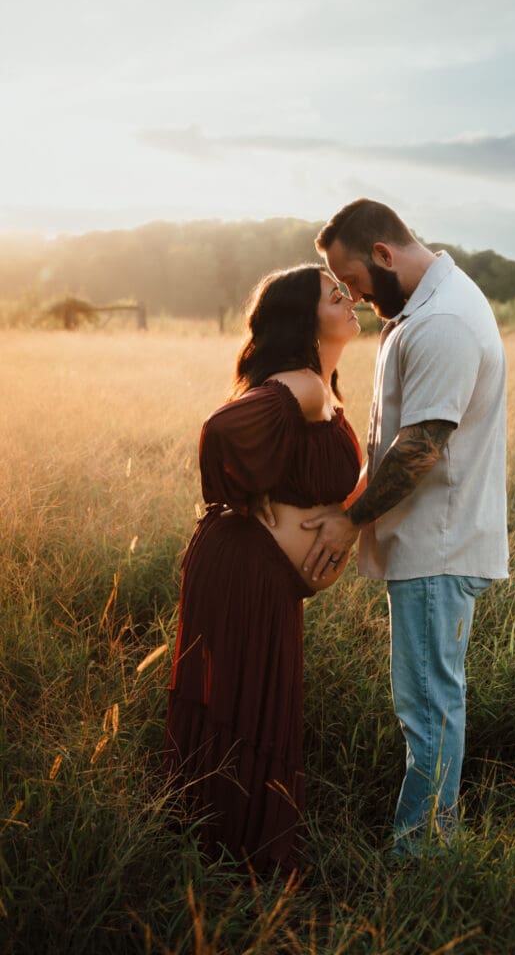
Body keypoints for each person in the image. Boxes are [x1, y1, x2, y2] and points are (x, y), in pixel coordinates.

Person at [302, 199, 508, 856]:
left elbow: (421, 448)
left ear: (385, 255)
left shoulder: (444, 320)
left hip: (436, 549)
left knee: (428, 712)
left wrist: (347, 521)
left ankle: (419, 856)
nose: (356, 299)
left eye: (356, 282)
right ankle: (428, 842)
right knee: (431, 706)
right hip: (429, 546)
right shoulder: (425, 306)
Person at [164, 264, 362, 875]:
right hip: (243, 569)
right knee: (244, 712)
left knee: (247, 709)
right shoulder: (301, 384)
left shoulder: (323, 387)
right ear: (306, 318)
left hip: (261, 578)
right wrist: (238, 494)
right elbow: (221, 428)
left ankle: (216, 849)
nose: (350, 299)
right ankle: (235, 859)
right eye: (336, 294)